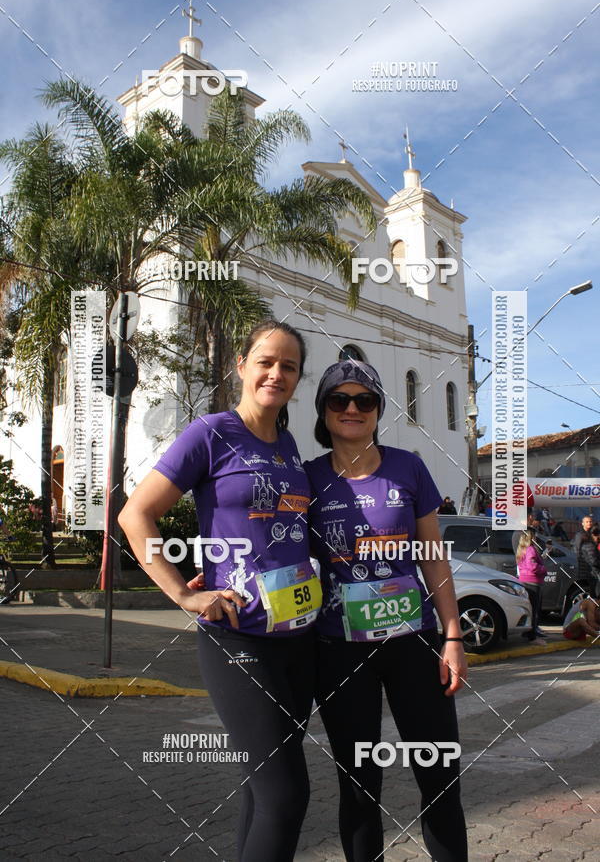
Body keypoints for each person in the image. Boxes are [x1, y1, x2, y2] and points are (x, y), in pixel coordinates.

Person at [119, 320, 321, 862]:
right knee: (286, 794)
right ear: (242, 366)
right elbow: (136, 515)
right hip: (238, 636)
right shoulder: (211, 433)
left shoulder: (289, 445)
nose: (276, 374)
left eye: (289, 366)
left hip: (298, 640)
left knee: (262, 791)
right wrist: (183, 594)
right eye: (266, 362)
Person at [304, 360, 468, 862]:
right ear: (324, 410)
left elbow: (432, 555)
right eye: (340, 399)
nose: (352, 409)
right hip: (339, 651)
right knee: (358, 786)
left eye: (365, 400)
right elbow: (278, 547)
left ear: (378, 410)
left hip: (413, 644)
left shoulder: (408, 467)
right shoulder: (308, 478)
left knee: (439, 776)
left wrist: (453, 635)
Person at [516, 529, 547, 645]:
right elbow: (532, 566)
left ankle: (527, 632)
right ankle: (532, 637)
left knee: (529, 609)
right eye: (534, 536)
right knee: (534, 610)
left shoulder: (521, 549)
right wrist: (543, 569)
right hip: (533, 582)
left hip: (524, 579)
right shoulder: (531, 549)